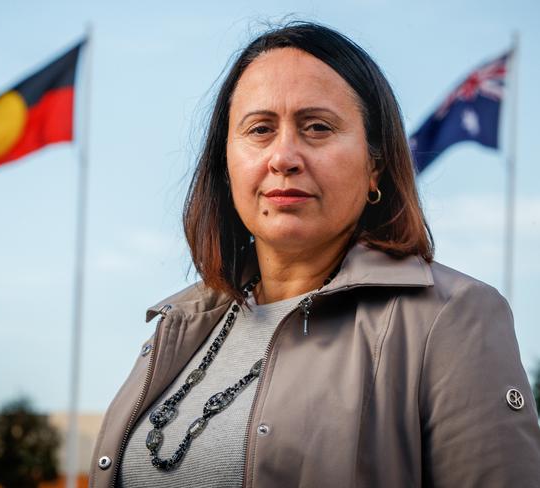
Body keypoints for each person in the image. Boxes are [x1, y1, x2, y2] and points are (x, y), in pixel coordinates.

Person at [90, 22, 540, 487]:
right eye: (260, 129)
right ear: (225, 163)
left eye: (318, 127)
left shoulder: (453, 319)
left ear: (375, 165)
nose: (283, 157)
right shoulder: (179, 323)